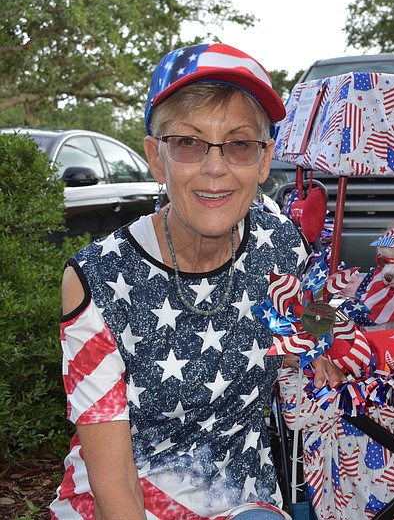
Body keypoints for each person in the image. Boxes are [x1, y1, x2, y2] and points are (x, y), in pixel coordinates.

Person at [50, 43, 316, 519]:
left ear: (263, 160)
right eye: (189, 143)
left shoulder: (282, 245)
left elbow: (311, 333)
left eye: (238, 143)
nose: (215, 168)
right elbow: (114, 484)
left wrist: (369, 327)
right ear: (157, 158)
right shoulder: (97, 279)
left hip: (242, 504)